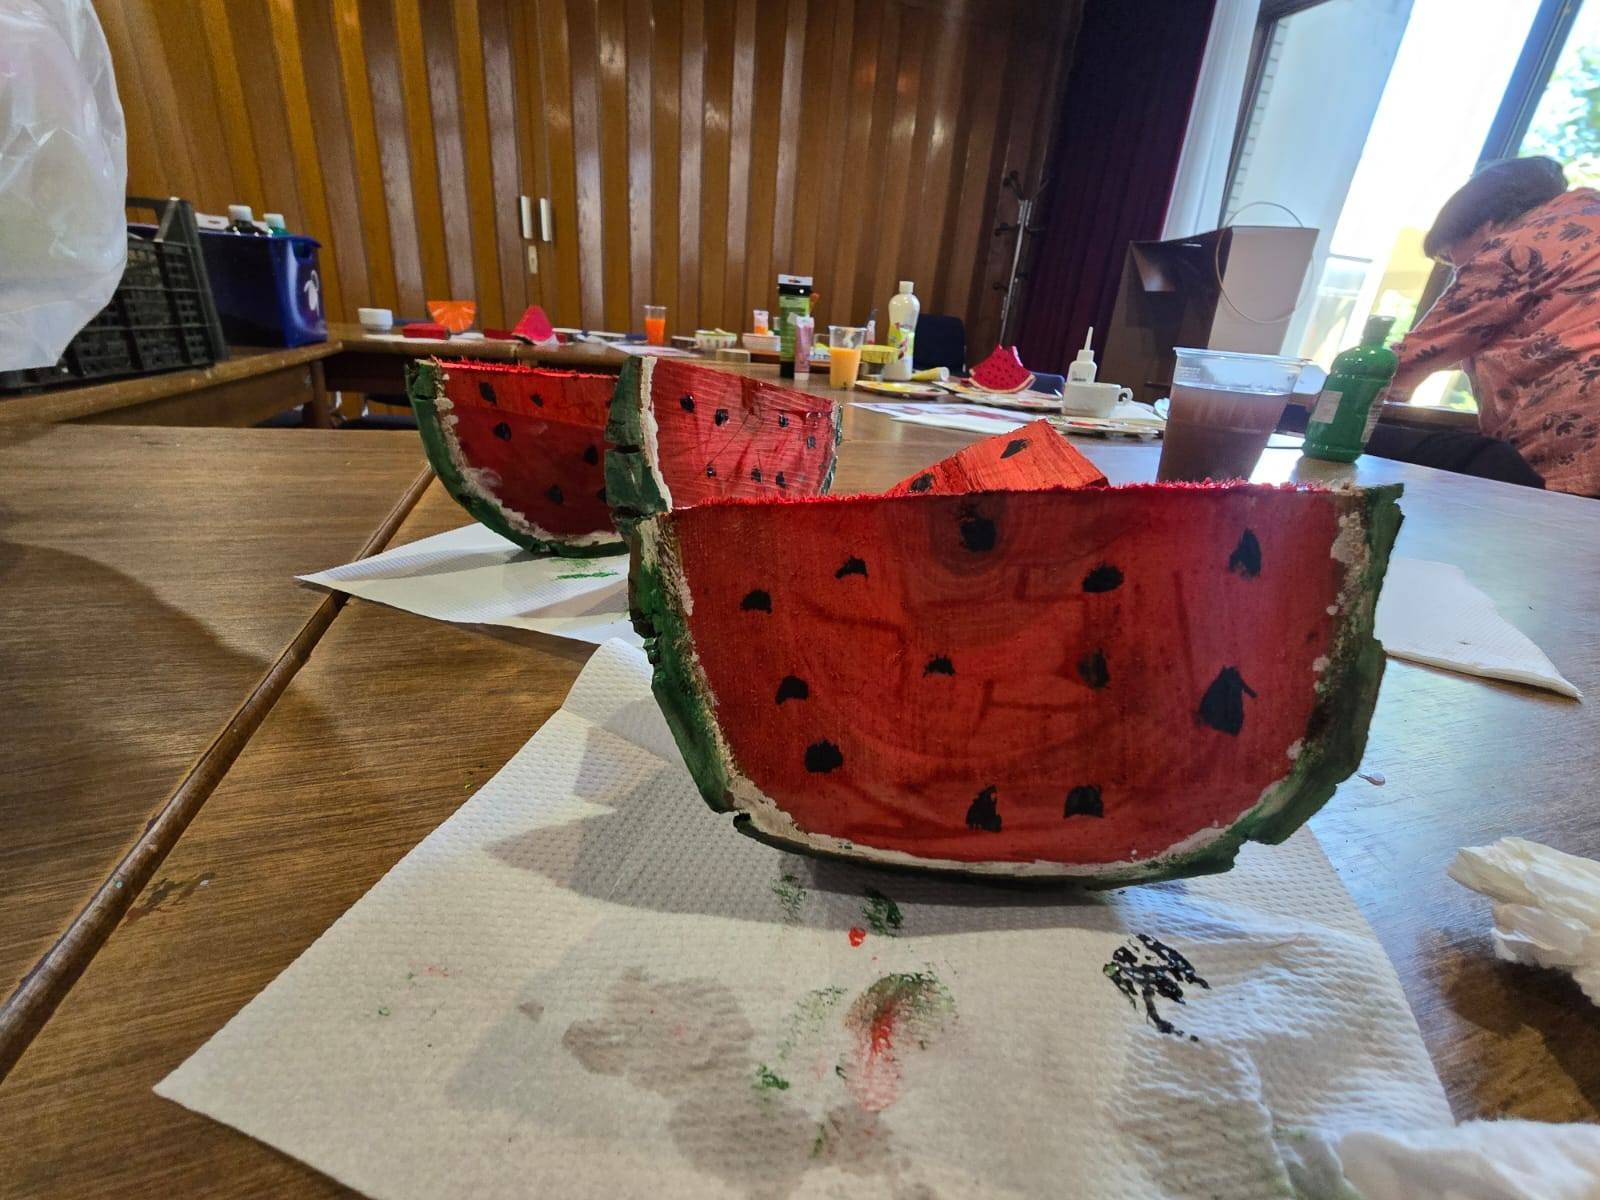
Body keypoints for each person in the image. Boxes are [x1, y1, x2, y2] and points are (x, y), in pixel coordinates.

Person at [1387, 156, 1600, 497]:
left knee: (1389, 459)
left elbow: (1418, 354)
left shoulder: (1518, 246)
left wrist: (1329, 395)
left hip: (1576, 451)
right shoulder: (1586, 223)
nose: (1459, 272)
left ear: (1487, 226)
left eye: (1451, 258)